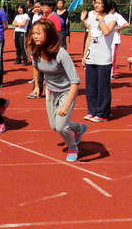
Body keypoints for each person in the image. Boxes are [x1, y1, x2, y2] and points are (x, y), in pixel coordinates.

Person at [27, 19, 87, 162]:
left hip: (67, 91)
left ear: (48, 34)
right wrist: (36, 86)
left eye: (38, 33)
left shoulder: (61, 53)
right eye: (33, 33)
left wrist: (66, 106)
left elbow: (75, 82)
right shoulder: (35, 51)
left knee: (61, 127)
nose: (35, 36)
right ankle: (78, 128)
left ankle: (72, 147)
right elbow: (35, 67)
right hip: (51, 91)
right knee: (54, 126)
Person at [82, 0, 117, 123]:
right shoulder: (92, 18)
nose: (96, 5)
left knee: (103, 87)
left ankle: (103, 113)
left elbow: (107, 32)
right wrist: (85, 55)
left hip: (103, 58)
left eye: (99, 3)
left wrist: (101, 20)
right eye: (95, 2)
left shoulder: (112, 18)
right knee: (90, 87)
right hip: (92, 57)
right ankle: (92, 111)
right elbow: (90, 37)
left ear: (106, 4)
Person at [110, 2, 129, 79]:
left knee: (112, 57)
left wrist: (118, 28)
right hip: (107, 39)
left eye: (111, 8)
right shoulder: (106, 15)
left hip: (115, 40)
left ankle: (112, 73)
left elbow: (127, 24)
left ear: (114, 8)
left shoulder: (117, 16)